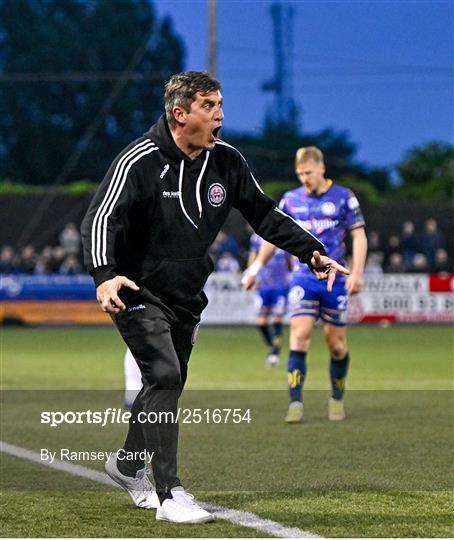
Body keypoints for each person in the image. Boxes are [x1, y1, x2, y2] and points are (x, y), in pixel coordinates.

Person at [81, 72, 348, 524]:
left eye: (221, 103)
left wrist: (311, 252)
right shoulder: (139, 161)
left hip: (186, 295)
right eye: (209, 105)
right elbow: (100, 218)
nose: (220, 113)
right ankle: (170, 495)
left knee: (166, 383)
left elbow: (264, 213)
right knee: (163, 375)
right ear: (180, 114)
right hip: (135, 289)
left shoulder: (226, 162)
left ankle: (127, 466)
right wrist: (105, 275)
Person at [243, 146, 367, 423]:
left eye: (308, 173)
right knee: (299, 337)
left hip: (335, 279)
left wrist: (357, 273)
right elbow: (272, 237)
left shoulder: (344, 198)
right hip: (302, 279)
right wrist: (254, 268)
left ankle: (336, 398)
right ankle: (295, 402)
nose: (304, 179)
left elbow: (358, 237)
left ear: (321, 168)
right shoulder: (290, 200)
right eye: (300, 174)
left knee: (336, 344)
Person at [247, 232, 291, 367]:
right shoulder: (256, 237)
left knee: (277, 319)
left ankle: (275, 353)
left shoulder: (284, 233)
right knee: (261, 322)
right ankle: (272, 346)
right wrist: (251, 276)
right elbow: (252, 257)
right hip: (263, 285)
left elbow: (291, 259)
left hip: (280, 285)